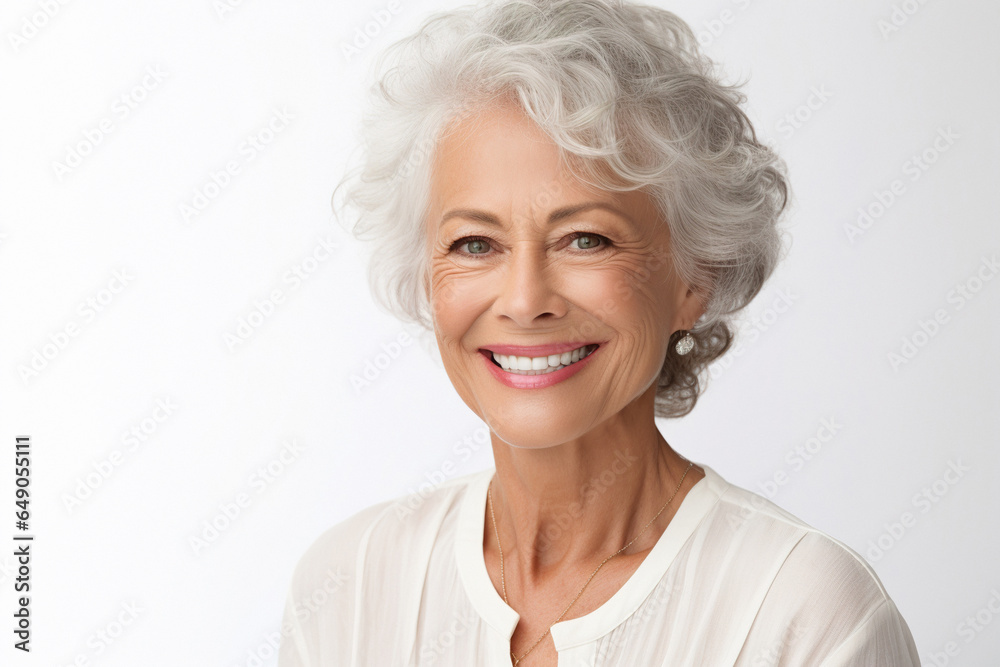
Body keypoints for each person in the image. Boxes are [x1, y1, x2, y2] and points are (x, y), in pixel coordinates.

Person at [279, 1, 920, 664]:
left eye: (585, 239)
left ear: (693, 278)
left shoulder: (803, 611)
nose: (525, 300)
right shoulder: (348, 587)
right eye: (474, 243)